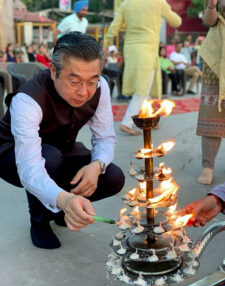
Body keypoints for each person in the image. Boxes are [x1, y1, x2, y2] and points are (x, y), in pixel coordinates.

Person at [0, 32, 125, 250]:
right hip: (12, 153)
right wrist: (65, 199)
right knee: (48, 159)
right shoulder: (27, 100)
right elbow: (30, 168)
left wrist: (97, 166)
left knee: (113, 176)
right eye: (74, 80)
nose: (83, 91)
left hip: (63, 147)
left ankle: (60, 208)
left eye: (91, 81)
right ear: (53, 71)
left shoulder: (101, 88)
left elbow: (105, 137)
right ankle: (39, 221)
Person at [104, 0, 181, 135]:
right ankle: (127, 122)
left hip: (131, 49)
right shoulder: (158, 2)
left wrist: (106, 43)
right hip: (147, 49)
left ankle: (148, 118)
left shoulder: (126, 4)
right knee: (143, 88)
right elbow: (176, 22)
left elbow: (114, 26)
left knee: (147, 84)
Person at [196, 0, 225, 185]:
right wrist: (213, 5)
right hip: (216, 54)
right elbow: (209, 21)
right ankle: (208, 166)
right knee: (212, 111)